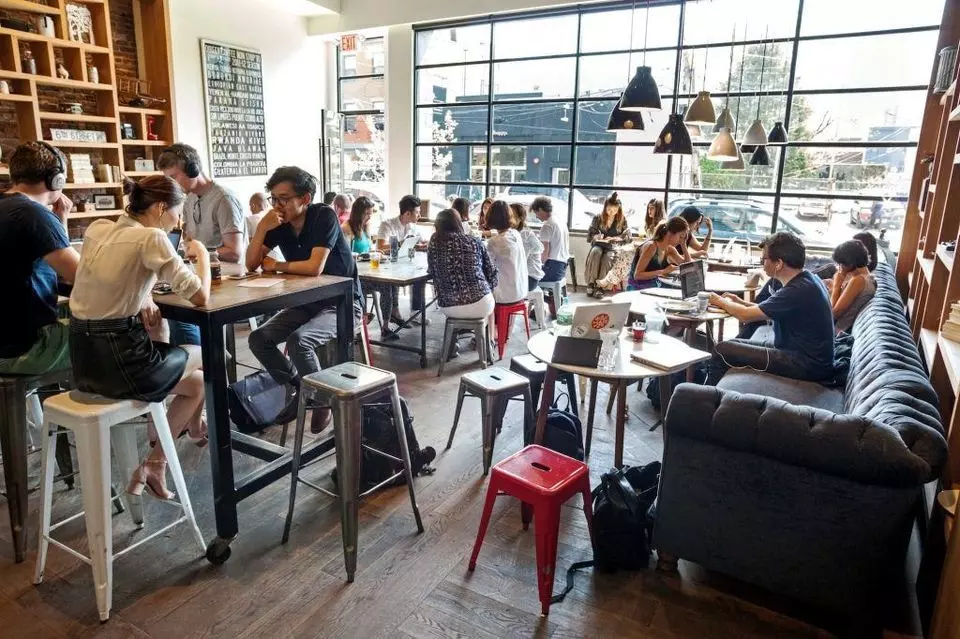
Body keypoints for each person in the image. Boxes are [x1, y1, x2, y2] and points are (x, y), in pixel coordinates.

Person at [69, 176, 211, 499]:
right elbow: (201, 297)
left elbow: (106, 281)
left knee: (199, 382)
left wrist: (144, 295)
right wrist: (201, 255)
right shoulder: (152, 239)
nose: (180, 221)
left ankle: (154, 464)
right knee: (213, 354)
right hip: (124, 363)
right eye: (178, 212)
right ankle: (195, 425)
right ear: (162, 208)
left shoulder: (97, 229)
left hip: (83, 363)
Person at [246, 166, 364, 433]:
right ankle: (302, 390)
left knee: (300, 340)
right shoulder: (278, 223)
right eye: (273, 198)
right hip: (308, 303)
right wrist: (262, 227)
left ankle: (320, 400)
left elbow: (314, 267)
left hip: (342, 304)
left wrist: (277, 266)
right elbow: (252, 263)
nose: (278, 205)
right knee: (258, 339)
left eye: (284, 198)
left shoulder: (324, 216)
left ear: (305, 198)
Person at [705, 232, 835, 385]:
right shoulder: (807, 280)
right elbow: (766, 310)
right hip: (804, 356)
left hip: (805, 364)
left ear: (778, 263)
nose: (762, 263)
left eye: (763, 259)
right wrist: (739, 301)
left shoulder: (797, 290)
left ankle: (706, 397)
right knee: (734, 344)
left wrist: (718, 300)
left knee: (722, 351)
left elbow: (745, 316)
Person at [0, 142, 79, 376]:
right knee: (122, 324)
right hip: (25, 348)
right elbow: (83, 275)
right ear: (57, 180)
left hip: (4, 340)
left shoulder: (9, 208)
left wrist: (60, 218)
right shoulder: (34, 214)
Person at [158, 143, 245, 346]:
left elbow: (234, 252)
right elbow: (188, 240)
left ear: (193, 169)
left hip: (227, 278)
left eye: (174, 176)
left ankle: (205, 363)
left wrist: (201, 252)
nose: (171, 183)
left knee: (179, 314)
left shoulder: (224, 198)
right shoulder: (188, 200)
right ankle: (200, 363)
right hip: (201, 274)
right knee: (167, 306)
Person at [427, 209, 498, 359]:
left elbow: (431, 269)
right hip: (481, 304)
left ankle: (451, 347)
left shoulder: (434, 241)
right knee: (489, 297)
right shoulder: (474, 241)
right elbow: (491, 272)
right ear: (458, 223)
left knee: (458, 305)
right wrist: (487, 289)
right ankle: (487, 344)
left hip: (449, 306)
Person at [375, 195, 428, 327]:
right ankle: (394, 312)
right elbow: (380, 247)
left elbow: (423, 241)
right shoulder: (387, 224)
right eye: (417, 212)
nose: (419, 215)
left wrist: (421, 245)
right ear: (407, 213)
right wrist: (401, 243)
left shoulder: (413, 226)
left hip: (406, 264)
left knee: (420, 275)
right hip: (388, 266)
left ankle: (416, 313)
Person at [584, 191, 632, 298]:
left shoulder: (622, 220)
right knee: (595, 252)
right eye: (609, 209)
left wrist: (616, 238)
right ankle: (591, 284)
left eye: (615, 210)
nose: (611, 212)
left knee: (608, 258)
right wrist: (596, 236)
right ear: (605, 207)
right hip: (599, 245)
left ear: (619, 209)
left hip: (612, 247)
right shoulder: (598, 218)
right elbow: (590, 234)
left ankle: (600, 286)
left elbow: (628, 237)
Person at [486, 201, 529, 307]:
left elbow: (486, 266)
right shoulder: (516, 234)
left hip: (504, 295)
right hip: (521, 290)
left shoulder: (494, 242)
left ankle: (490, 323)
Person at [627, 217, 687, 290]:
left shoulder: (669, 249)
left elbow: (688, 266)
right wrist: (663, 271)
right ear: (670, 233)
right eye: (680, 237)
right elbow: (637, 275)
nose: (681, 241)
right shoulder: (651, 246)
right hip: (638, 288)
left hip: (653, 286)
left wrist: (684, 245)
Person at [830, 239, 876, 333]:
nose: (839, 266)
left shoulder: (859, 281)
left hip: (835, 330)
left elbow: (834, 314)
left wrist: (837, 285)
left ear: (850, 263)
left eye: (840, 263)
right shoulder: (866, 276)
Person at [533, 196, 570, 289]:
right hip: (562, 268)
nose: (536, 216)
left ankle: (536, 300)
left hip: (552, 269)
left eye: (536, 212)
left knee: (526, 276)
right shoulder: (560, 222)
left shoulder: (547, 226)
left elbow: (545, 254)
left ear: (541, 210)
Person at [511, 202, 543, 292]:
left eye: (512, 216)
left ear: (520, 218)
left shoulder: (525, 235)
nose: (508, 219)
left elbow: (520, 261)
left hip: (529, 278)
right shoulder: (515, 232)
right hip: (522, 275)